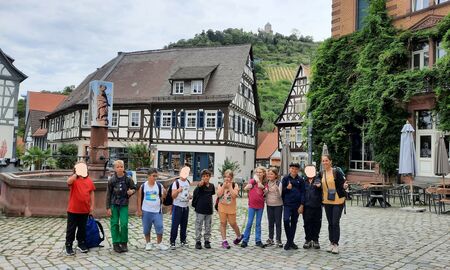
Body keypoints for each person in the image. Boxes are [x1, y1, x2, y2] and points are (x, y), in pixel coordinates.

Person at [319, 154, 348, 254]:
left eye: (326, 160)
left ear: (330, 161)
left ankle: (336, 244)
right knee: (330, 223)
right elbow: (316, 181)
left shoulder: (336, 172)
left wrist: (345, 186)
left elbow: (344, 183)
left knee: (335, 222)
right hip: (327, 201)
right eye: (323, 161)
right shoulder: (321, 173)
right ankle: (331, 242)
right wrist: (317, 184)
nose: (325, 162)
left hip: (337, 200)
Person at [65, 162, 95, 256]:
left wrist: (92, 206)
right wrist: (75, 175)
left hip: (84, 209)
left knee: (82, 228)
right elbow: (68, 182)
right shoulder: (74, 179)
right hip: (73, 209)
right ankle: (69, 244)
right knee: (71, 228)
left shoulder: (89, 181)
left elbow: (92, 193)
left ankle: (81, 242)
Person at [106, 160, 137, 253]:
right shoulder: (112, 180)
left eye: (121, 167)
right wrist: (108, 207)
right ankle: (116, 243)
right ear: (115, 169)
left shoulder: (128, 179)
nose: (120, 168)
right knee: (114, 223)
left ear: (124, 167)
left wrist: (132, 191)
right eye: (118, 167)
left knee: (124, 224)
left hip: (124, 204)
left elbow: (134, 187)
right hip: (114, 204)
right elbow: (108, 194)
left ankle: (124, 242)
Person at [137, 168, 169, 251]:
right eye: (153, 176)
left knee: (159, 227)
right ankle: (148, 243)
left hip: (157, 211)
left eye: (156, 176)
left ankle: (159, 243)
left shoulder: (159, 186)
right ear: (148, 176)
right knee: (146, 228)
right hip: (146, 210)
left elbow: (163, 196)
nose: (155, 178)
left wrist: (165, 194)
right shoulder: (143, 186)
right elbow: (139, 198)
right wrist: (139, 210)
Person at [281, 162, 305, 250]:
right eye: (292, 168)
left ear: (298, 170)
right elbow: (282, 192)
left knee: (294, 222)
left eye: (295, 169)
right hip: (287, 204)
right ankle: (290, 241)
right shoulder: (285, 179)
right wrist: (287, 188)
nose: (294, 170)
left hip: (297, 205)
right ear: (289, 169)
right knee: (286, 220)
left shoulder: (301, 180)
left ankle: (290, 242)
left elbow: (303, 193)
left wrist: (302, 205)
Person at [217, 169, 243, 249]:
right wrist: (224, 186)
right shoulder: (221, 185)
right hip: (222, 207)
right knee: (223, 223)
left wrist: (230, 187)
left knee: (233, 223)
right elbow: (218, 195)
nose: (227, 178)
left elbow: (234, 196)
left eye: (229, 177)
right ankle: (224, 241)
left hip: (231, 208)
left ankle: (239, 236)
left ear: (232, 178)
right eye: (225, 177)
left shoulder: (235, 185)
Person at [241, 166, 267, 248]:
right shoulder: (253, 181)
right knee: (249, 223)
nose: (258, 174)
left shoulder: (265, 183)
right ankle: (245, 240)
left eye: (260, 172)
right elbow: (245, 188)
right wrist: (248, 187)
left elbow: (266, 191)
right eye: (257, 172)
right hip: (252, 205)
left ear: (263, 173)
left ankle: (258, 240)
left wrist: (261, 184)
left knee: (258, 223)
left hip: (260, 206)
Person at [192, 169, 215, 249]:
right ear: (201, 177)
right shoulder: (200, 185)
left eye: (207, 176)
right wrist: (199, 186)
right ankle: (198, 241)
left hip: (208, 209)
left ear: (209, 177)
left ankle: (207, 240)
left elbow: (211, 194)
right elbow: (195, 193)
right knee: (199, 225)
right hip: (200, 209)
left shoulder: (212, 186)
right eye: (204, 176)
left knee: (208, 226)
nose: (206, 178)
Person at [170, 166, 191, 249]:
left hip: (185, 207)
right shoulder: (176, 183)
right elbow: (173, 196)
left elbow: (188, 194)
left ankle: (183, 240)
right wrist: (178, 191)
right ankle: (172, 241)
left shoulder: (188, 182)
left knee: (184, 225)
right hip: (177, 206)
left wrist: (190, 196)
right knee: (175, 225)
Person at [302, 165, 322, 249]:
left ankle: (315, 240)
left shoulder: (318, 180)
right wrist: (301, 204)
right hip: (306, 206)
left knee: (317, 223)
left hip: (317, 206)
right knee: (307, 223)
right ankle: (308, 239)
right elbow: (301, 193)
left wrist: (320, 186)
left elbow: (321, 187)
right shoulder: (303, 181)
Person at [264, 167, 283, 248]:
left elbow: (280, 195)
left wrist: (277, 190)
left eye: (271, 174)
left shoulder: (279, 183)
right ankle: (270, 239)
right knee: (270, 223)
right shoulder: (266, 183)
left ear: (276, 175)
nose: (269, 175)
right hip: (269, 205)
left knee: (278, 223)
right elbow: (264, 194)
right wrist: (265, 191)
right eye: (269, 174)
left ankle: (278, 240)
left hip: (278, 205)